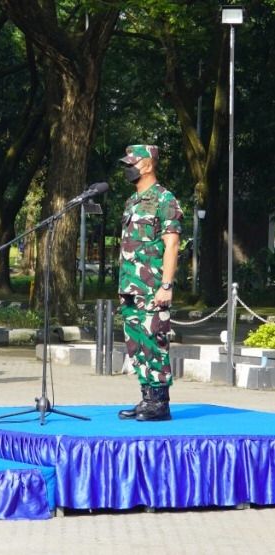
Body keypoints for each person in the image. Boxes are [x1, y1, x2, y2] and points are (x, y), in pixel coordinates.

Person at [117, 144, 183, 422]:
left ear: (147, 164)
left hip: (152, 287)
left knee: (155, 342)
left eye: (132, 163)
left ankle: (160, 402)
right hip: (130, 287)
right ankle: (147, 397)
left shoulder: (165, 199)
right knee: (136, 343)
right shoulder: (132, 201)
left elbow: (172, 244)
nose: (127, 168)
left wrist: (166, 286)